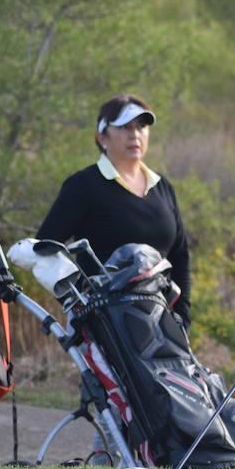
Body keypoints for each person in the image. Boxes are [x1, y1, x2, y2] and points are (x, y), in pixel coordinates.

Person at [37, 94, 193, 332]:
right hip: (106, 326)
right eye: (124, 127)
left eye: (141, 126)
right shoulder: (84, 185)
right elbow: (44, 248)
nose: (135, 134)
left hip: (162, 322)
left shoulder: (162, 186)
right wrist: (81, 298)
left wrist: (182, 314)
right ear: (102, 137)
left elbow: (180, 255)